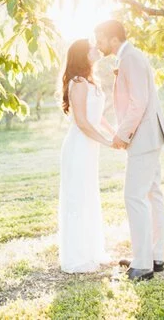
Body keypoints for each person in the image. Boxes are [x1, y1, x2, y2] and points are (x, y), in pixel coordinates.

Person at [94, 20, 164, 281]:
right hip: (149, 135)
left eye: (100, 38)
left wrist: (122, 134)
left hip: (143, 136)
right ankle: (154, 256)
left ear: (113, 38)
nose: (98, 44)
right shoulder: (129, 57)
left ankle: (143, 265)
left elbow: (139, 102)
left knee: (134, 197)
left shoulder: (130, 58)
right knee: (152, 195)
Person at [58, 39, 113, 273]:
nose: (96, 49)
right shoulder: (78, 82)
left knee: (89, 194)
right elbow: (81, 121)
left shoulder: (90, 81)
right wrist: (106, 141)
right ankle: (77, 257)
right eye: (91, 47)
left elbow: (96, 115)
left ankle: (92, 250)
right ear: (83, 54)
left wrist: (114, 132)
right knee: (77, 197)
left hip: (91, 145)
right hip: (80, 144)